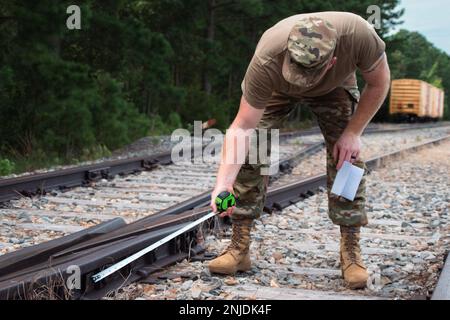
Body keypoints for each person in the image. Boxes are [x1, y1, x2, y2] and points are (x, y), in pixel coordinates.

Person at [208, 12, 391, 289]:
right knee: (253, 149)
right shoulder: (269, 55)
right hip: (277, 86)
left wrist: (353, 133)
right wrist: (223, 184)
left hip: (335, 86)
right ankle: (238, 247)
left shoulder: (360, 35)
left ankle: (351, 251)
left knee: (347, 161)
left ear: (332, 61)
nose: (301, 82)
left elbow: (379, 82)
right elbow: (242, 126)